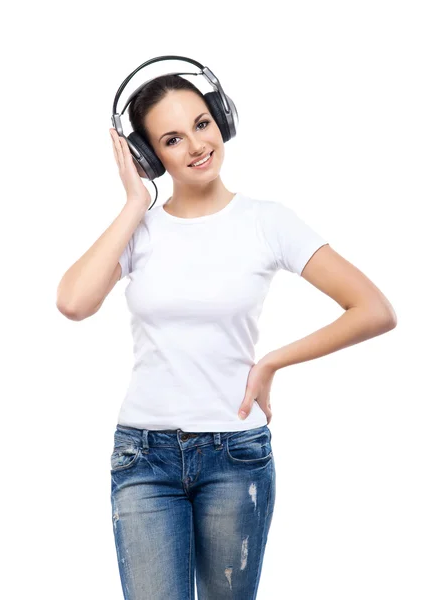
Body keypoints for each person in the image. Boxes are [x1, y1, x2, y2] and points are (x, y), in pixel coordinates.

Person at [56, 74, 397, 599]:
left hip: (235, 455)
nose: (196, 146)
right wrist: (132, 203)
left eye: (201, 124)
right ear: (149, 156)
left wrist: (272, 363)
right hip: (143, 457)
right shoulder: (139, 231)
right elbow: (74, 303)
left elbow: (374, 309)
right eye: (172, 140)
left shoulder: (267, 222)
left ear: (222, 120)